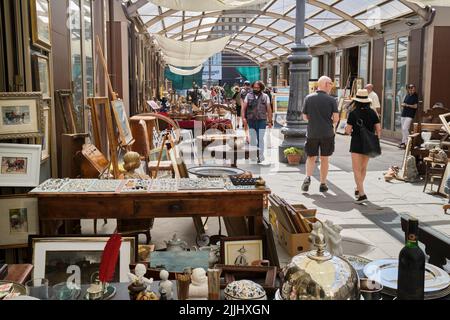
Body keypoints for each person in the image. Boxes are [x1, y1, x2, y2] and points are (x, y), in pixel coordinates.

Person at [301, 76, 339, 193]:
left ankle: (307, 177)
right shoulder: (332, 100)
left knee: (311, 157)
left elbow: (304, 117)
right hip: (327, 133)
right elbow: (336, 118)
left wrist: (314, 121)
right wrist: (327, 122)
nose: (332, 86)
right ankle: (323, 183)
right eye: (331, 84)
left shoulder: (308, 98)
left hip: (312, 132)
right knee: (324, 159)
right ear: (326, 84)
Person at [345, 89, 382, 204]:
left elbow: (348, 130)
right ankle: (358, 188)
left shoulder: (353, 113)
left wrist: (347, 130)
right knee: (363, 168)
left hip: (356, 142)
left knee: (356, 169)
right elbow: (378, 129)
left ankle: (362, 194)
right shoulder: (372, 112)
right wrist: (376, 139)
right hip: (369, 143)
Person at [241, 81, 273, 163]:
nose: (256, 89)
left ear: (261, 88)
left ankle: (260, 155)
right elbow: (244, 108)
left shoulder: (265, 96)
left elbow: (269, 109)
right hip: (251, 120)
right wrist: (243, 118)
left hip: (262, 120)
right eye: (254, 87)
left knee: (260, 138)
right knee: (253, 138)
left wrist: (270, 121)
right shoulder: (248, 95)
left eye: (258, 88)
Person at [399, 84, 419, 148]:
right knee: (403, 129)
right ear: (408, 90)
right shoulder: (407, 95)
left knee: (405, 128)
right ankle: (403, 142)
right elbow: (403, 103)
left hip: (410, 115)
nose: (412, 91)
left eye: (413, 90)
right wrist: (403, 104)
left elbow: (415, 106)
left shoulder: (415, 96)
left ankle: (408, 142)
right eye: (411, 90)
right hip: (404, 113)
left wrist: (407, 105)